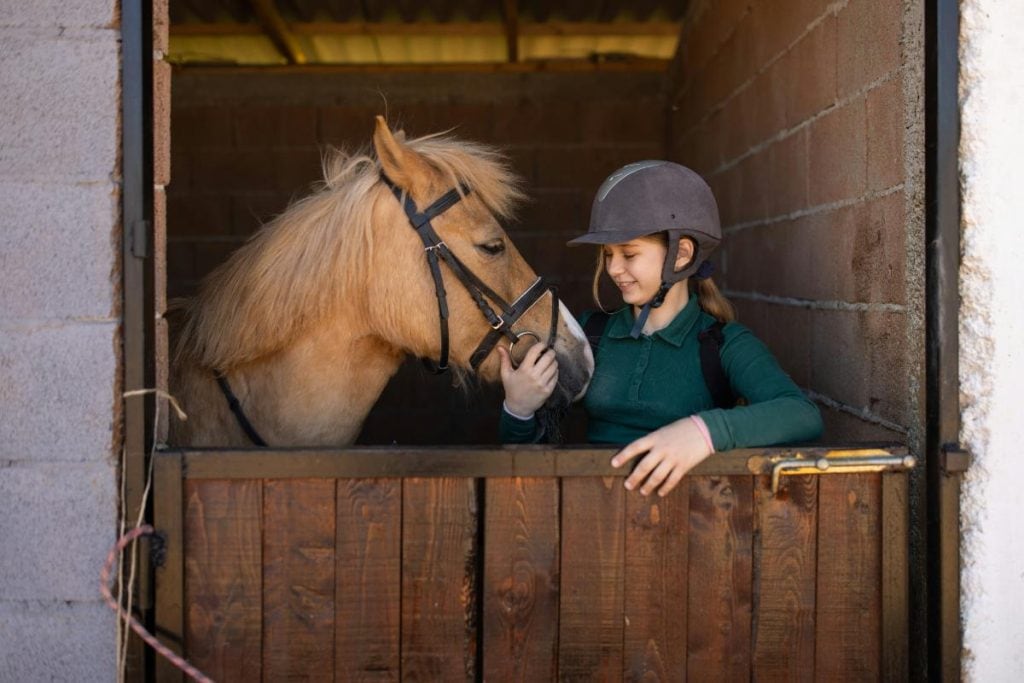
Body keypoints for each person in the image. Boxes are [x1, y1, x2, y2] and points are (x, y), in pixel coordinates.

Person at [496, 160, 823, 497]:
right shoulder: (589, 332)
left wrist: (703, 432)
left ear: (680, 254)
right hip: (593, 513)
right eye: (608, 255)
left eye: (629, 254)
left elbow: (802, 415)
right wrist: (518, 409)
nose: (614, 269)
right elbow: (522, 459)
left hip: (686, 519)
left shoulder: (723, 343)